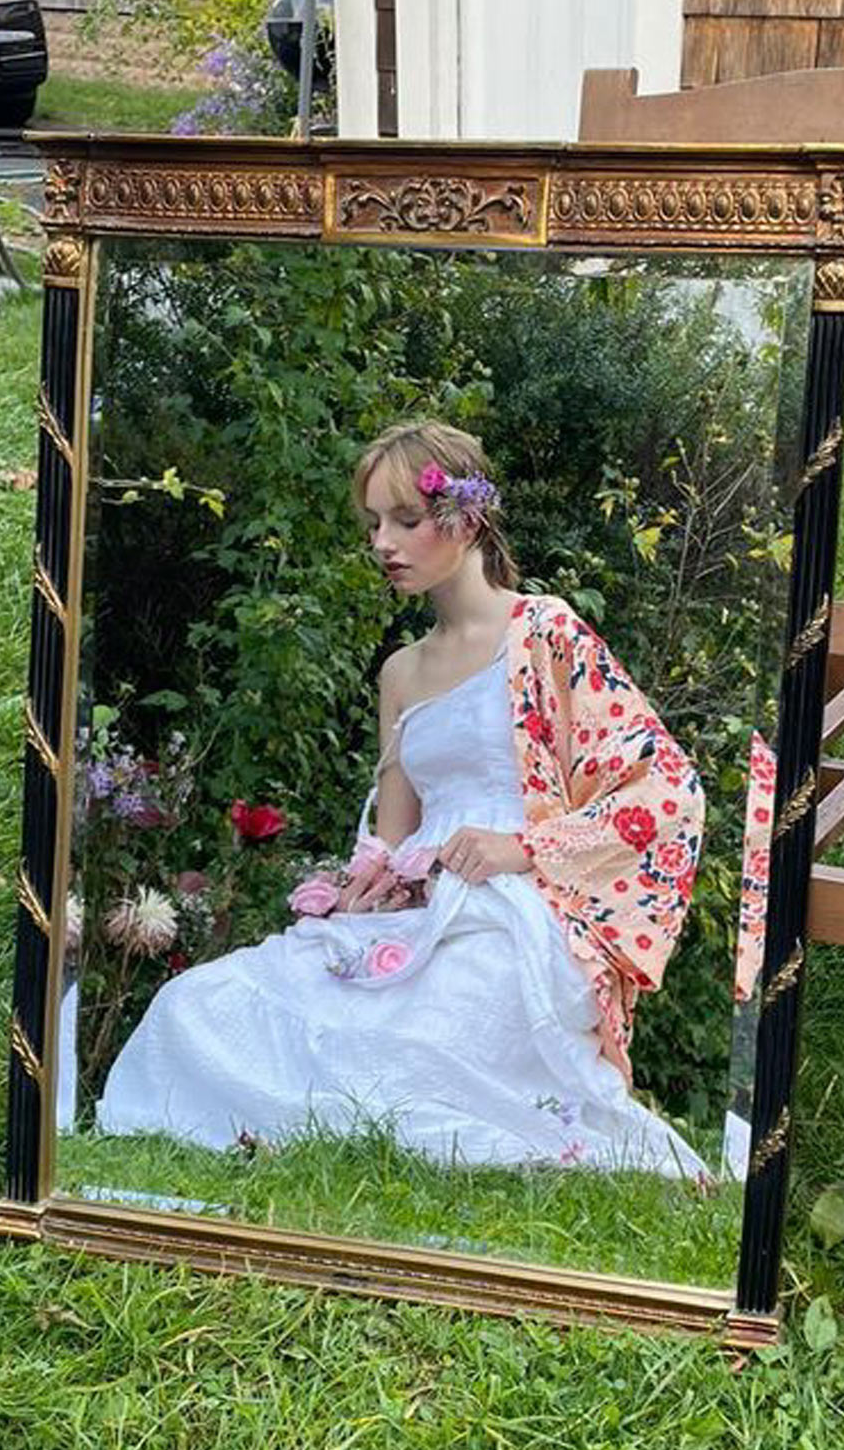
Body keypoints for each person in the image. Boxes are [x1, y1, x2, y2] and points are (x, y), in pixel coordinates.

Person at [93, 419, 709, 1177]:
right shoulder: (401, 672)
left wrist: (521, 848)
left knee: (417, 1043)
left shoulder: (544, 633)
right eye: (375, 524)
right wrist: (363, 886)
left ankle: (329, 1121)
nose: (384, 542)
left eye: (406, 521)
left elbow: (667, 788)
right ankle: (281, 1122)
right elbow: (392, 833)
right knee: (201, 1003)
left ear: (466, 518)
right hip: (411, 909)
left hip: (516, 919)